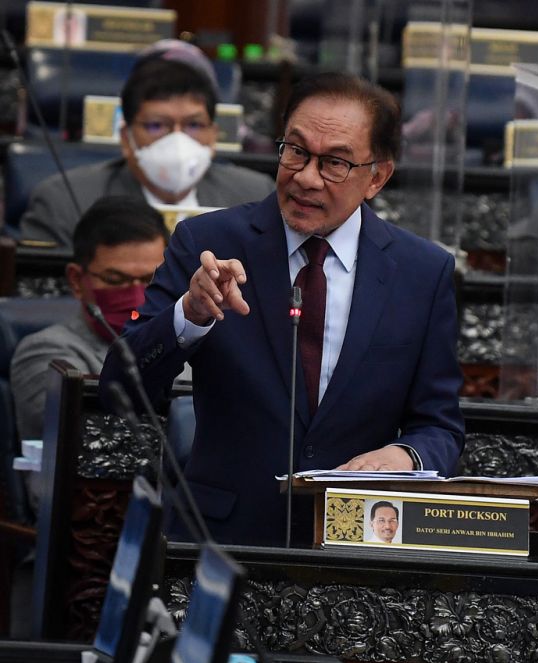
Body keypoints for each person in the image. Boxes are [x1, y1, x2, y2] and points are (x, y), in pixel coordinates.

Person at [100, 72, 465, 547]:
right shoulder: (207, 243)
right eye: (296, 151)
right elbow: (119, 387)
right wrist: (188, 315)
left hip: (352, 552)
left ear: (377, 176)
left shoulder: (422, 272)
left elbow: (440, 423)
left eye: (334, 162)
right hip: (219, 543)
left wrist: (406, 455)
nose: (306, 178)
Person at [18, 56, 274, 252]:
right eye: (156, 125)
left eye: (194, 125)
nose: (178, 140)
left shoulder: (256, 197)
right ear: (126, 138)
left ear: (214, 135)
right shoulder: (66, 202)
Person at [12, 196, 170, 441]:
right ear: (76, 280)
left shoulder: (189, 341)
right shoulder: (45, 352)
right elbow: (87, 440)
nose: (137, 294)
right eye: (115, 280)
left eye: (151, 279)